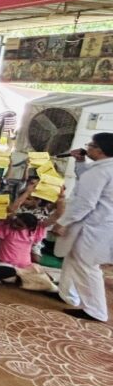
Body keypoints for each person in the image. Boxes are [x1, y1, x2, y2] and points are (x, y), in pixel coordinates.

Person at [52, 133, 113, 322]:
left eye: (90, 145)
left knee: (86, 266)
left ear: (100, 150)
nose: (88, 148)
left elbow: (85, 203)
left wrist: (63, 221)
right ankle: (68, 295)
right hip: (100, 225)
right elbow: (86, 180)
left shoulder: (101, 171)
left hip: (91, 226)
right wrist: (80, 161)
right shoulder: (104, 168)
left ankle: (96, 310)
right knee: (73, 259)